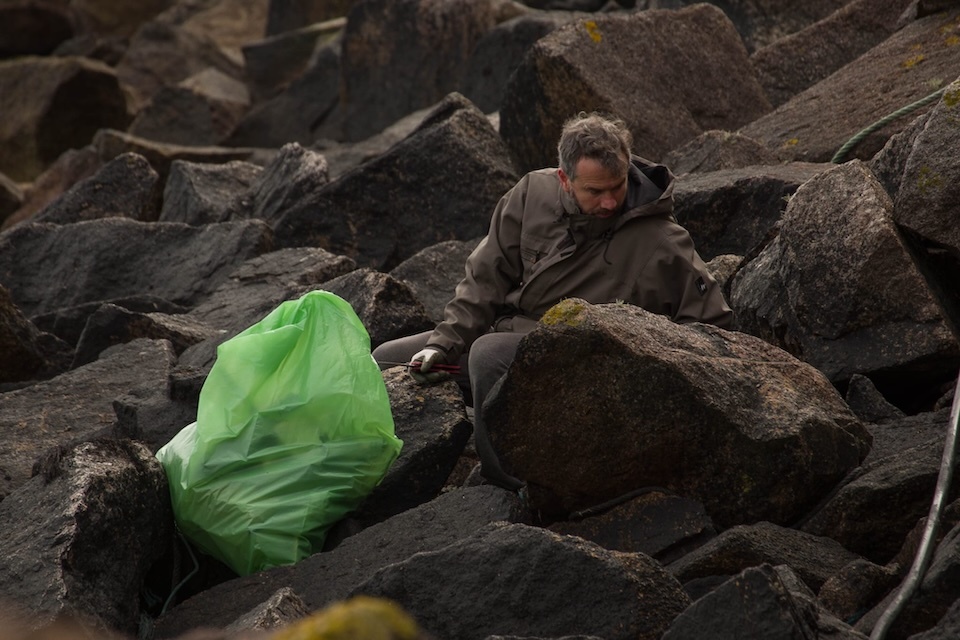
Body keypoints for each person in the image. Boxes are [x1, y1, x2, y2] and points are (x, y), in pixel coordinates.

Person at [372, 111, 733, 491]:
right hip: (510, 332)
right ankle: (389, 481)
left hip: (580, 364)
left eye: (618, 186)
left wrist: (642, 367)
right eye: (595, 191)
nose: (610, 202)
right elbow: (484, 280)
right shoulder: (531, 194)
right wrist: (441, 345)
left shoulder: (663, 241)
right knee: (388, 361)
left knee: (487, 354)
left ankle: (513, 485)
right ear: (564, 179)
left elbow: (713, 326)